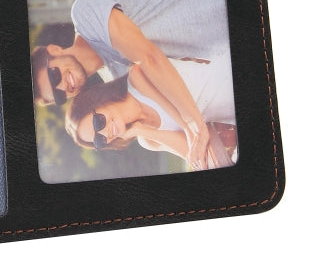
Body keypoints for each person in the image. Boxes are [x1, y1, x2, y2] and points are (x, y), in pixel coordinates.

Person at [31, 0, 231, 169]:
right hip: (223, 44)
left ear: (54, 50)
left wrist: (194, 126)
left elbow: (150, 58)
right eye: (58, 95)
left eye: (54, 76)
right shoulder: (117, 76)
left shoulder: (85, 15)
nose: (63, 87)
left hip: (218, 1)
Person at [64, 51, 237, 170]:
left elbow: (188, 120)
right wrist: (142, 131)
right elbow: (198, 156)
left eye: (98, 122)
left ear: (99, 101)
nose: (105, 133)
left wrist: (189, 129)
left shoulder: (138, 76)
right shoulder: (148, 140)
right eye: (99, 140)